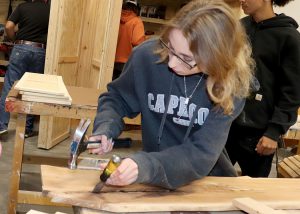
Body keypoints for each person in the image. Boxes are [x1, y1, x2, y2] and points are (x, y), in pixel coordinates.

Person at [88, 0, 254, 189]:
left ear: (216, 58)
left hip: (207, 182)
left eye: (186, 59)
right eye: (170, 48)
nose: (172, 64)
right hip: (157, 177)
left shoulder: (232, 85)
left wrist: (144, 166)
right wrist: (106, 127)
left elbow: (200, 154)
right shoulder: (146, 56)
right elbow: (116, 98)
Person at [226, 0, 300, 177]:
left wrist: (274, 133)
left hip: (260, 136)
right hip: (225, 125)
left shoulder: (289, 38)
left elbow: (292, 92)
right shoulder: (238, 28)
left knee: (252, 194)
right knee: (210, 185)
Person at [0, 0, 50, 137]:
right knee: (33, 89)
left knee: (10, 86)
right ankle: (27, 129)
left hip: (21, 47)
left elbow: (9, 26)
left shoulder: (23, 7)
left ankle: (1, 125)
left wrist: (14, 39)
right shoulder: (51, 9)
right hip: (40, 50)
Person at [112, 0, 145, 80]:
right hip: (126, 61)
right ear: (136, 10)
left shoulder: (115, 18)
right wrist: (146, 38)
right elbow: (137, 41)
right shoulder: (137, 21)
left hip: (111, 59)